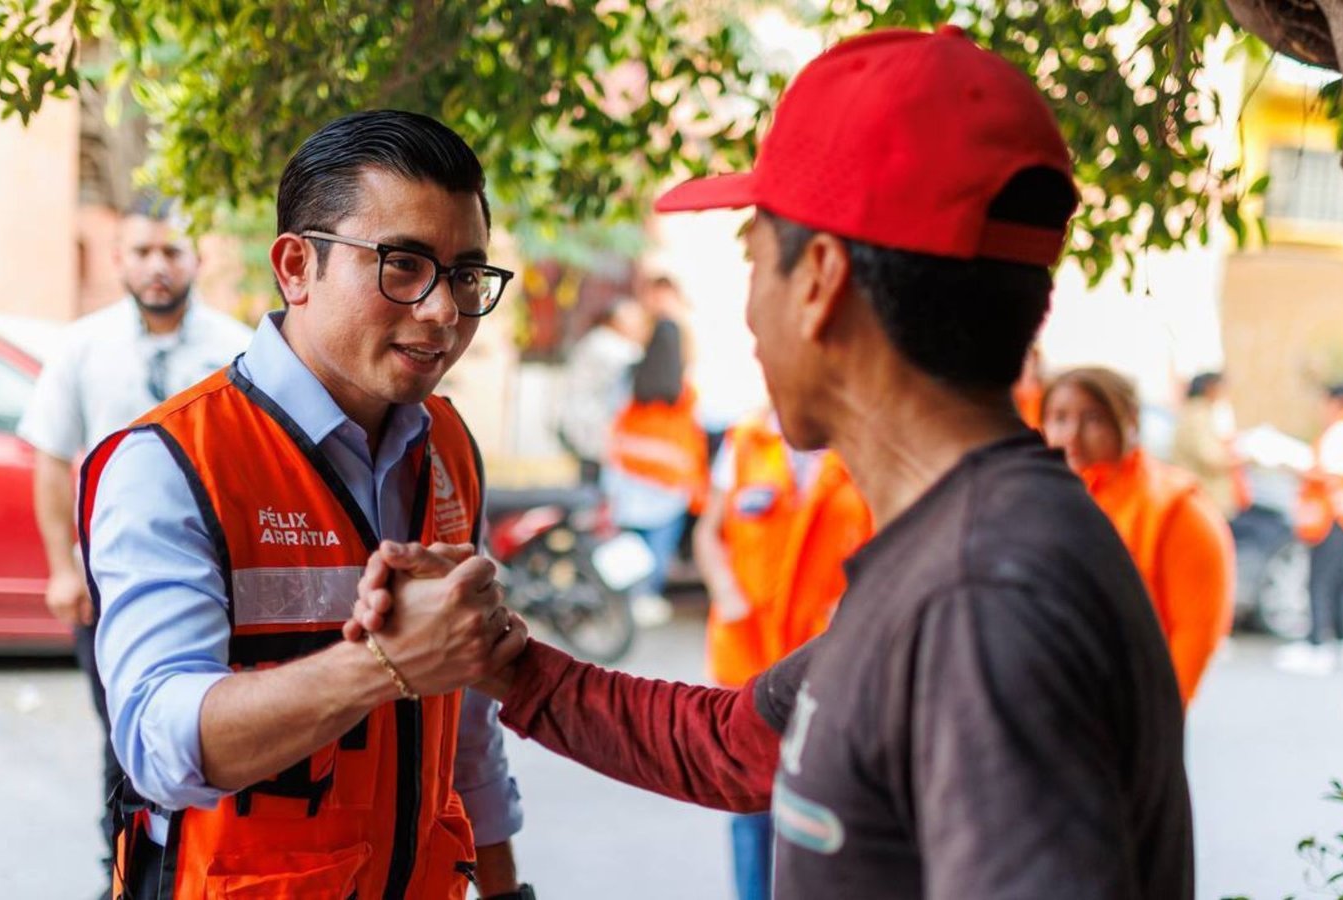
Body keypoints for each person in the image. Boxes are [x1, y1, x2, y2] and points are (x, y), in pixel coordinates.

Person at [356, 27, 1194, 899]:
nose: (749, 316)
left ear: (821, 279)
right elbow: (734, 745)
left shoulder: (983, 599)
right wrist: (500, 659)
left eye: (754, 259)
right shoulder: (960, 552)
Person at [81, 111, 530, 899]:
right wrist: (382, 665)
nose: (443, 312)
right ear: (296, 266)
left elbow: (465, 727)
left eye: (465, 274)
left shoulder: (448, 446)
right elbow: (158, 746)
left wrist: (502, 886)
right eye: (403, 264)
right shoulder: (172, 461)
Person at [15, 194, 252, 892]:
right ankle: (123, 872)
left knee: (216, 734)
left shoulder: (236, 348)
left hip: (220, 587)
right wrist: (64, 568)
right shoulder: (83, 346)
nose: (157, 267)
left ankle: (209, 868)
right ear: (119, 258)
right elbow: (54, 458)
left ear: (196, 258)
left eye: (171, 252)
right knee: (126, 739)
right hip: (111, 587)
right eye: (143, 252)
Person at [692, 410, 872, 900]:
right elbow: (709, 532)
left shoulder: (860, 443)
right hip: (747, 653)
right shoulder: (744, 443)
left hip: (828, 659)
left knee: (821, 803)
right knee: (749, 803)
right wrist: (726, 590)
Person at [1043, 367, 1237, 705]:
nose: (1071, 435)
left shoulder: (1176, 509)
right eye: (1059, 419)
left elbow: (1196, 633)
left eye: (1093, 420)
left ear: (1129, 419)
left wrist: (1156, 718)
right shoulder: (1039, 498)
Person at [603, 289, 709, 625]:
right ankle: (646, 596)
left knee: (632, 542)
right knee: (657, 548)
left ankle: (627, 597)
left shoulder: (629, 377)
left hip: (629, 477)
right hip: (668, 484)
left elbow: (613, 419)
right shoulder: (686, 388)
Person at [1275, 381, 1343, 676]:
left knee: (1320, 580)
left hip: (1334, 517)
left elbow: (1330, 472)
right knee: (1334, 581)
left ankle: (1319, 644)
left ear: (1340, 401)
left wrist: (1295, 468)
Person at [556, 296, 647, 484]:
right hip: (590, 425)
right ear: (617, 321)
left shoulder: (598, 340)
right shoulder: (608, 344)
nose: (641, 326)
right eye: (636, 320)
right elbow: (641, 363)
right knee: (593, 488)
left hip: (587, 424)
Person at [1170, 371, 1250, 520]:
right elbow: (1211, 459)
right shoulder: (1198, 416)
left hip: (1201, 500)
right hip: (1205, 499)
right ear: (1209, 387)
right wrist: (1246, 457)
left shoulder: (1195, 413)